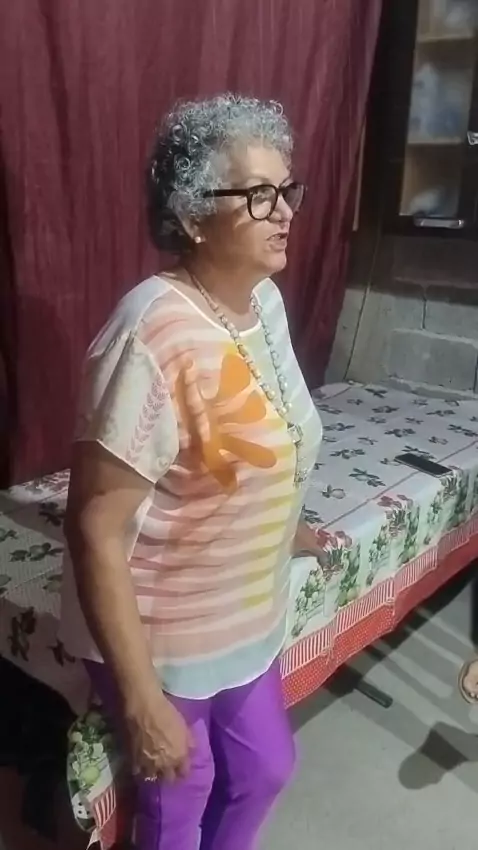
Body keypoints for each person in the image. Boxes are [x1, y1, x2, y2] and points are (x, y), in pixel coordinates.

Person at [60, 93, 324, 850]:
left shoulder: (262, 303)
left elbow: (264, 435)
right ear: (194, 215)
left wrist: (281, 526)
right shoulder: (150, 334)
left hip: (243, 612)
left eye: (287, 189)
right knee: (184, 788)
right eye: (259, 195)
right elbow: (95, 528)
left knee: (268, 768)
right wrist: (143, 700)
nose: (285, 212)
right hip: (163, 633)